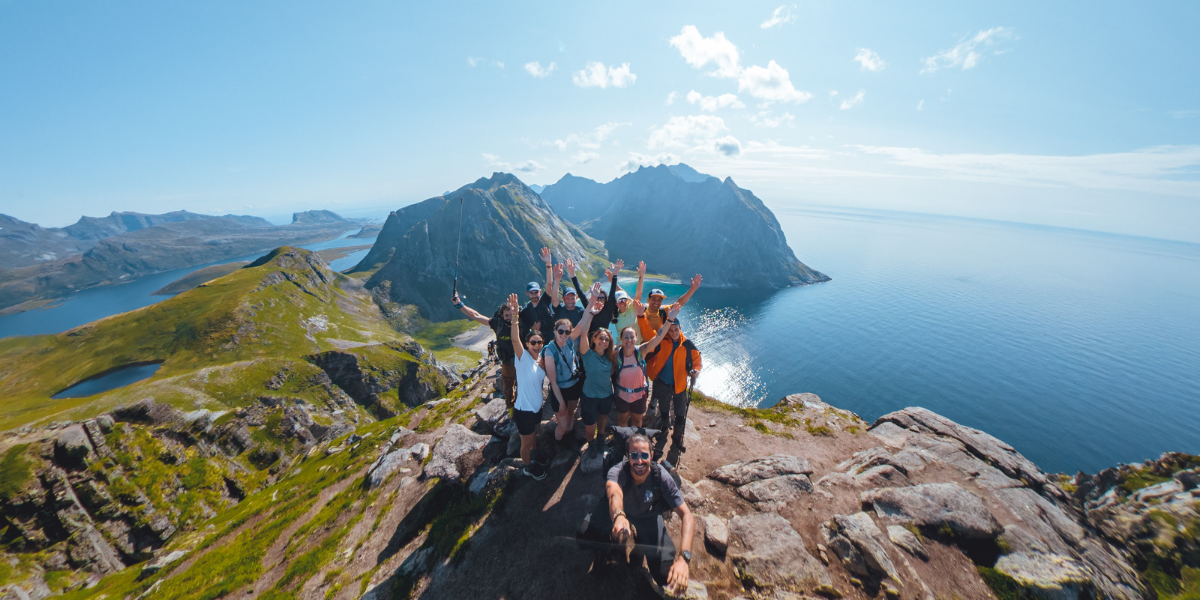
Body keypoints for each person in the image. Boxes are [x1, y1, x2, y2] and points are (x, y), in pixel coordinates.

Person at [576, 433, 695, 594]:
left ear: (651, 455)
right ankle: (606, 543)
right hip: (617, 512)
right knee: (584, 537)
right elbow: (614, 493)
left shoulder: (661, 476)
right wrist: (619, 516)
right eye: (634, 455)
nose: (639, 461)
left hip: (647, 516)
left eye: (644, 455)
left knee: (665, 574)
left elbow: (687, 515)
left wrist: (684, 558)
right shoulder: (617, 471)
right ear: (627, 456)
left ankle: (639, 540)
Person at [641, 315, 702, 461]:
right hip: (663, 382)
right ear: (667, 331)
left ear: (680, 329)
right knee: (664, 410)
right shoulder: (661, 341)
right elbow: (649, 351)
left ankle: (677, 438)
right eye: (671, 330)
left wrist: (695, 372)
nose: (674, 333)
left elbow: (697, 361)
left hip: (679, 385)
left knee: (680, 414)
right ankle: (664, 432)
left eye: (676, 329)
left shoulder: (687, 344)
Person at [506, 293, 550, 480]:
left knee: (534, 437)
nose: (537, 345)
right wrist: (515, 317)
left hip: (536, 408)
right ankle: (527, 466)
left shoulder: (541, 361)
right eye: (533, 342)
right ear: (527, 344)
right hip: (523, 410)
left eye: (539, 342)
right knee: (525, 441)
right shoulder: (522, 358)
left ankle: (534, 456)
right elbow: (515, 340)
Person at [614, 302, 678, 428]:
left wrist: (670, 319)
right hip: (622, 395)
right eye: (626, 337)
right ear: (621, 339)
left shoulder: (641, 351)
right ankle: (621, 442)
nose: (629, 340)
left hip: (639, 395)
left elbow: (658, 338)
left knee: (637, 422)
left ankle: (634, 443)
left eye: (632, 337)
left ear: (636, 338)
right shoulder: (616, 354)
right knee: (622, 420)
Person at [453, 294, 517, 409]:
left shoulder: (520, 323)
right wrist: (460, 305)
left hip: (521, 359)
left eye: (512, 315)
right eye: (507, 315)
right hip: (507, 361)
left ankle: (520, 406)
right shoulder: (498, 324)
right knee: (508, 386)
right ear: (502, 316)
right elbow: (476, 316)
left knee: (522, 385)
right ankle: (511, 407)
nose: (509, 317)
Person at [576, 282, 616, 456]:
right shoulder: (586, 353)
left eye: (606, 340)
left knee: (602, 418)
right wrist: (591, 313)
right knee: (589, 423)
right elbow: (583, 333)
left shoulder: (611, 356)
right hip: (589, 396)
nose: (603, 342)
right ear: (595, 340)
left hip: (606, 394)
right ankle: (591, 443)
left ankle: (600, 438)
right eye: (600, 339)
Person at [543, 305, 589, 446]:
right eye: (560, 331)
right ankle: (557, 445)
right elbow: (553, 382)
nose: (564, 334)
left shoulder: (569, 341)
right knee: (562, 426)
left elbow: (582, 323)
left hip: (573, 385)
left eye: (567, 331)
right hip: (560, 390)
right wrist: (561, 402)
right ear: (555, 331)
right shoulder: (550, 352)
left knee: (571, 414)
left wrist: (592, 300)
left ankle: (568, 437)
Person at [519, 247, 557, 341]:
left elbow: (549, 284)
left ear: (540, 291)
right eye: (531, 293)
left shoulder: (545, 300)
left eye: (536, 292)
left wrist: (548, 264)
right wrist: (533, 329)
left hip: (552, 340)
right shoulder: (525, 312)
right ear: (527, 293)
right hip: (537, 344)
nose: (534, 295)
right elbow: (524, 331)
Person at [612, 261, 647, 343]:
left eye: (624, 300)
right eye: (619, 301)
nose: (622, 302)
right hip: (622, 348)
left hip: (637, 347)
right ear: (616, 304)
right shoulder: (613, 314)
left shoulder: (632, 308)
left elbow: (638, 292)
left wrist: (641, 276)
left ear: (627, 301)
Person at [553, 259, 585, 327]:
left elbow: (581, 294)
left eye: (572, 298)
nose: (570, 301)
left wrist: (572, 273)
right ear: (563, 298)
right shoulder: (559, 311)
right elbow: (554, 299)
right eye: (567, 298)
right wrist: (557, 279)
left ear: (576, 298)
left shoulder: (581, 312)